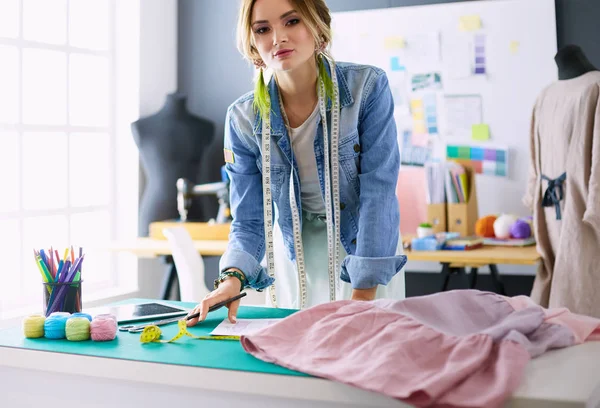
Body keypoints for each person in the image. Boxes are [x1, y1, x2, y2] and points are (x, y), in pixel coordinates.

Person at [187, 0, 407, 326]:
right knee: (301, 354)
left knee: (369, 349)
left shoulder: (367, 89)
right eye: (263, 29)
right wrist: (230, 280)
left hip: (366, 244)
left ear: (317, 25)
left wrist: (362, 295)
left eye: (291, 22)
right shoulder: (243, 119)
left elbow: (379, 193)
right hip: (296, 252)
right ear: (251, 43)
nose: (277, 38)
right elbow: (249, 219)